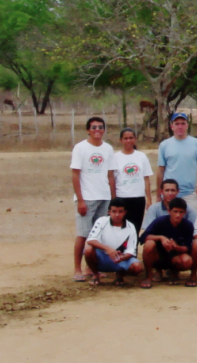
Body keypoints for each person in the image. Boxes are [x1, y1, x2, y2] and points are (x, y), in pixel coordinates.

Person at [71, 116, 116, 282]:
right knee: (83, 234)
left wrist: (113, 198)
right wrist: (80, 200)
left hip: (104, 197)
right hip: (87, 197)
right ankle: (77, 268)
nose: (97, 130)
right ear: (88, 130)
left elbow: (110, 174)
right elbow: (75, 174)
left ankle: (91, 267)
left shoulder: (108, 149)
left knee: (99, 236)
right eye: (94, 127)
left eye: (100, 127)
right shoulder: (80, 148)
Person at [84, 198, 142, 286]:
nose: (117, 215)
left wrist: (122, 258)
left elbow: (131, 251)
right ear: (109, 212)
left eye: (120, 211)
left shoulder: (131, 227)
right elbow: (91, 240)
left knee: (137, 267)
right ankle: (96, 275)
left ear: (125, 212)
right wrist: (108, 249)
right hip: (102, 257)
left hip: (120, 258)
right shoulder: (101, 221)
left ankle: (120, 275)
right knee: (88, 250)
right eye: (114, 211)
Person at [139, 197, 194, 289]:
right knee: (149, 244)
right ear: (169, 211)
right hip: (158, 255)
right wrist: (161, 238)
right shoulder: (160, 221)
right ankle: (149, 276)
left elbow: (187, 248)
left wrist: (176, 247)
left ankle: (173, 271)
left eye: (181, 212)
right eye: (175, 211)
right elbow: (143, 237)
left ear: (185, 212)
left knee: (187, 261)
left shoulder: (188, 225)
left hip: (175, 256)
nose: (178, 215)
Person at [157, 113, 197, 214]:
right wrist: (159, 195)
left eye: (183, 123)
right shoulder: (164, 145)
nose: (180, 126)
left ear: (187, 125)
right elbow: (161, 170)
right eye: (177, 123)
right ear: (172, 126)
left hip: (189, 194)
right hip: (169, 194)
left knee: (192, 226)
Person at [113, 127, 152, 234]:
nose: (128, 141)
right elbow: (112, 179)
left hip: (138, 198)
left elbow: (146, 179)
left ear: (135, 139)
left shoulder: (141, 156)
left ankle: (133, 249)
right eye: (125, 138)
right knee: (121, 227)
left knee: (135, 227)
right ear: (121, 140)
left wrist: (148, 199)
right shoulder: (115, 157)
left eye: (131, 138)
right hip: (122, 197)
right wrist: (113, 198)